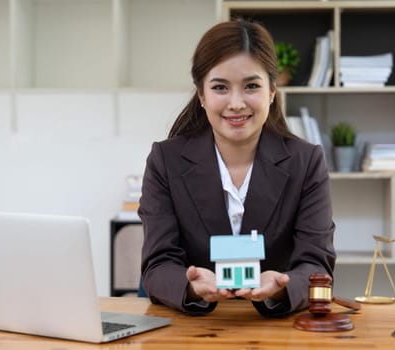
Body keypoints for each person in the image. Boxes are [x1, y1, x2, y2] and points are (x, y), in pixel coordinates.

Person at [139, 19, 335, 317]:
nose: (236, 103)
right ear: (202, 95)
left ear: (272, 91)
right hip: (192, 328)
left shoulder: (306, 162)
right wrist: (192, 287)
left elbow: (316, 265)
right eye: (220, 87)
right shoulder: (165, 161)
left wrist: (282, 285)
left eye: (251, 86)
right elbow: (157, 266)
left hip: (275, 328)